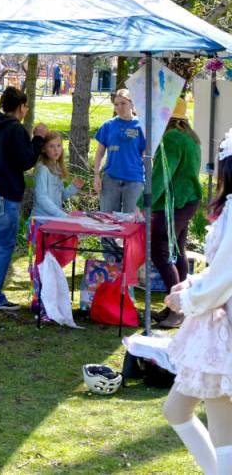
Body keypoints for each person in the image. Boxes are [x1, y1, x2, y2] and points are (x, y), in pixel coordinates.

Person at [161, 128, 232, 475]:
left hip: (223, 328)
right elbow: (220, 270)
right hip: (215, 322)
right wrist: (190, 285)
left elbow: (225, 277)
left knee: (224, 434)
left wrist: (187, 298)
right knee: (176, 411)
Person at [0, 86, 47, 311]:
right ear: (21, 107)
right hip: (3, 194)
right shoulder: (15, 129)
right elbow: (26, 161)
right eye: (25, 107)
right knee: (4, 245)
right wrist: (38, 139)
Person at [147, 98, 203, 329]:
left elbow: (162, 174)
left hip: (175, 203)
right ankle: (179, 306)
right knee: (177, 252)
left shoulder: (172, 137)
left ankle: (177, 310)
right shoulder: (191, 137)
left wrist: (145, 201)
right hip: (187, 200)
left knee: (161, 252)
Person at [92, 88, 146, 258]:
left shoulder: (141, 126)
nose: (120, 107)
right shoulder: (108, 126)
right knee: (107, 221)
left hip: (134, 181)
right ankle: (110, 260)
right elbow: (99, 153)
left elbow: (147, 156)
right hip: (111, 180)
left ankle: (129, 259)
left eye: (123, 103)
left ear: (132, 104)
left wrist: (150, 181)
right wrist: (96, 175)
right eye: (116, 104)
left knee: (132, 223)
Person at [32, 130, 83, 218]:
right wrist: (61, 215)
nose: (56, 150)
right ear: (43, 149)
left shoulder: (57, 167)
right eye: (51, 146)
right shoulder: (43, 169)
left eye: (59, 146)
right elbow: (41, 197)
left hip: (53, 218)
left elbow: (59, 197)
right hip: (41, 219)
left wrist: (73, 187)